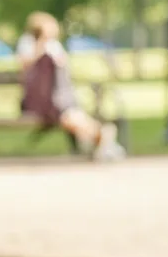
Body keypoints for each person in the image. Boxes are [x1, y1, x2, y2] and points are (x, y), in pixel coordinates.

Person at [17, 12, 123, 159]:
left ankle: (100, 138)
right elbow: (24, 67)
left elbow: (63, 71)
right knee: (69, 115)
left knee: (70, 114)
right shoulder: (28, 42)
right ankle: (101, 136)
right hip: (39, 100)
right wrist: (41, 46)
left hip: (56, 97)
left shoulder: (54, 45)